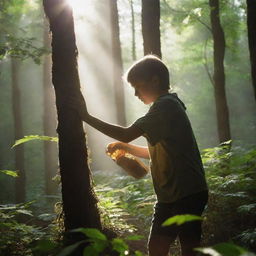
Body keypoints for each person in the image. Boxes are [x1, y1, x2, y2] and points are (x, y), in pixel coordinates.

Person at [72, 55, 208, 256]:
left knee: (189, 249)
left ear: (155, 80)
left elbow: (126, 133)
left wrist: (86, 117)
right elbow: (154, 151)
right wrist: (125, 148)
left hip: (187, 192)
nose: (135, 93)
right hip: (169, 196)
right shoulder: (164, 107)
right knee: (157, 249)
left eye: (137, 86)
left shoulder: (166, 106)